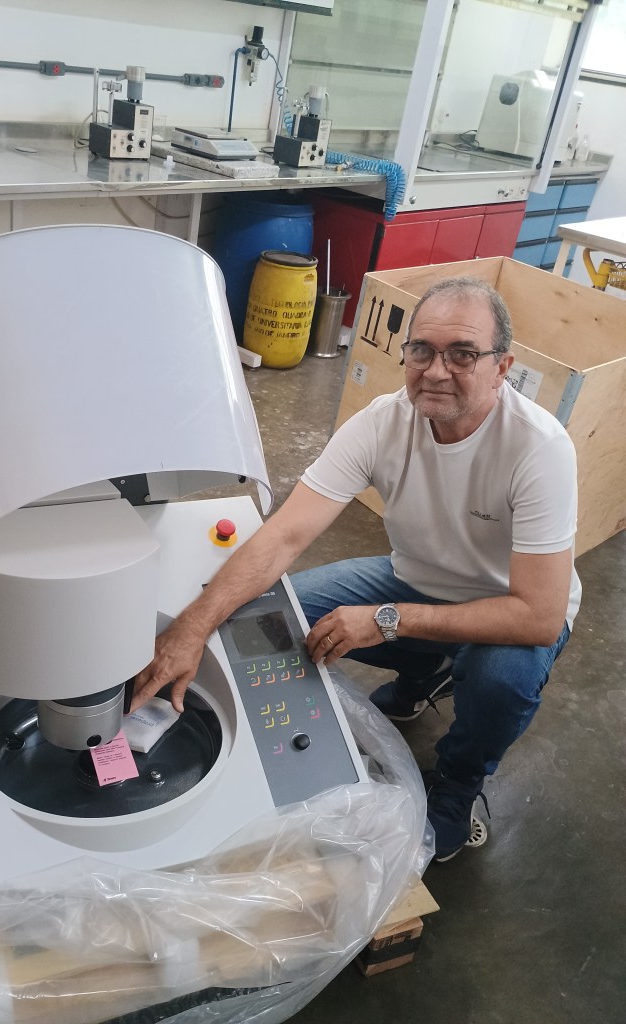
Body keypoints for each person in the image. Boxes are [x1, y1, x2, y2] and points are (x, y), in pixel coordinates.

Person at [131, 276, 580, 863]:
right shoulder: (382, 423)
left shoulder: (539, 448)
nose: (436, 371)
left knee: (500, 679)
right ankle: (425, 672)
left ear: (502, 368)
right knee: (270, 620)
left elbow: (539, 616)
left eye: (462, 354)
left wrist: (389, 619)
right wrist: (192, 627)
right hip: (415, 579)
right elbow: (285, 535)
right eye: (422, 350)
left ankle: (458, 784)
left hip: (506, 608)